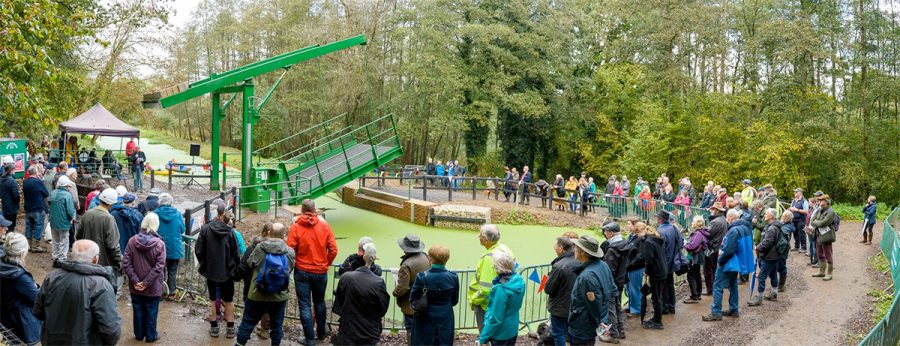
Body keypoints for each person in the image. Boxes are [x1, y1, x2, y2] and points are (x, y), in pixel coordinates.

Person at [34, 239, 121, 345]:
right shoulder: (101, 285)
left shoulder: (52, 277)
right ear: (95, 259)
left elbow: (38, 311)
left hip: (52, 341)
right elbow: (111, 330)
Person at [235, 221, 295, 346]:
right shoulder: (289, 252)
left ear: (270, 233)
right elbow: (289, 269)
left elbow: (250, 263)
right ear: (284, 235)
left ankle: (239, 344)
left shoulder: (260, 248)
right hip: (280, 295)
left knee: (247, 322)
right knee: (277, 326)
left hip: (257, 293)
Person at [286, 199, 338, 345]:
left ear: (302, 210)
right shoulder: (325, 226)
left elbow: (290, 251)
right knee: (320, 303)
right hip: (320, 272)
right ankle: (321, 333)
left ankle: (309, 339)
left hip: (302, 271)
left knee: (304, 305)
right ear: (315, 210)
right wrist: (326, 263)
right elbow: (333, 249)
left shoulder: (295, 227)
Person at [195, 204, 241, 338]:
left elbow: (199, 250)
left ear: (217, 212)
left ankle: (214, 327)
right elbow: (236, 253)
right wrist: (234, 268)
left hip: (211, 270)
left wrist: (205, 264)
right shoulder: (231, 232)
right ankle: (230, 328)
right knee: (229, 300)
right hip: (227, 271)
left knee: (213, 298)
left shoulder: (205, 229)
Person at [332, 243, 390, 345]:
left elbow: (338, 303)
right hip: (369, 332)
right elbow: (382, 309)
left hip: (347, 329)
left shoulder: (346, 277)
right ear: (375, 259)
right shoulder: (378, 282)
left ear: (363, 256)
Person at [702, 209, 754, 321]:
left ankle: (716, 312)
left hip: (729, 262)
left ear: (730, 218)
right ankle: (734, 309)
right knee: (733, 285)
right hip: (738, 262)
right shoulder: (746, 228)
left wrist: (720, 260)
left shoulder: (734, 230)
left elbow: (728, 249)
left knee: (717, 286)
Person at [123, 212, 166, 342]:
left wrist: (136, 281)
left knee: (138, 309)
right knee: (152, 310)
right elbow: (159, 266)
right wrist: (146, 282)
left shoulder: (132, 241)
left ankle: (139, 334)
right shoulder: (159, 244)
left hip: (135, 285)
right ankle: (151, 336)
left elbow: (126, 262)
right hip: (153, 286)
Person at [567, 236, 616, 344]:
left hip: (583, 324)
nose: (574, 249)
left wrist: (600, 321)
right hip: (591, 320)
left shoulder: (587, 276)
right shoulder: (602, 265)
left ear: (583, 252)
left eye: (576, 247)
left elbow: (593, 302)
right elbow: (612, 289)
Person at [468, 224, 515, 333]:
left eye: (480, 235)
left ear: (485, 239)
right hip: (502, 301)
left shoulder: (489, 258)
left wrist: (474, 300)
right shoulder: (505, 249)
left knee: (486, 335)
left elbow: (486, 288)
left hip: (486, 305)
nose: (478, 237)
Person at [410, 245, 459, 346]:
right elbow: (454, 300)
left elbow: (413, 299)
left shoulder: (422, 277)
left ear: (430, 258)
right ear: (447, 259)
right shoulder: (453, 277)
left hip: (424, 317)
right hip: (445, 317)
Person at [0, 232, 41, 345]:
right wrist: (36, 286)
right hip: (20, 319)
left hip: (4, 313)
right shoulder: (20, 277)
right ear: (23, 252)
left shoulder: (4, 264)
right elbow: (36, 299)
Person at [477, 253, 525, 346]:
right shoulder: (518, 280)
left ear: (498, 268)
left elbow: (495, 318)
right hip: (512, 328)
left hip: (501, 333)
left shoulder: (501, 290)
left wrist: (482, 338)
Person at [77, 187, 123, 281]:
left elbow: (78, 236)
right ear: (111, 204)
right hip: (103, 264)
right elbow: (113, 245)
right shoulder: (109, 219)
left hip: (86, 260)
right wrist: (119, 261)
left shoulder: (87, 214)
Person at [393, 234, 431, 342]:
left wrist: (395, 292)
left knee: (411, 331)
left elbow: (403, 287)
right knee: (423, 330)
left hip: (411, 305)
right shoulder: (426, 257)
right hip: (425, 301)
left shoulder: (407, 265)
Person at [544, 234, 580, 346]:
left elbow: (549, 289)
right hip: (575, 305)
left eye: (555, 245)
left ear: (561, 248)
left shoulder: (559, 266)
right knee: (572, 332)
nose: (554, 247)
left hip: (560, 306)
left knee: (558, 333)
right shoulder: (579, 260)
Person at [599, 222, 629, 342]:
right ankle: (620, 330)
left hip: (612, 283)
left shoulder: (612, 249)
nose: (605, 234)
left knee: (611, 308)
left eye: (606, 231)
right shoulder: (624, 243)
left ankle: (613, 334)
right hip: (620, 280)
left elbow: (608, 270)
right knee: (617, 307)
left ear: (611, 233)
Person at [154, 193, 184, 300]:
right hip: (174, 246)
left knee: (159, 270)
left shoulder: (155, 214)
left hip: (158, 247)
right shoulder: (178, 214)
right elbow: (182, 229)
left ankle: (160, 292)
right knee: (172, 270)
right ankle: (171, 292)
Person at [749, 208, 781, 306]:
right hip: (774, 255)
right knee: (773, 274)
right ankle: (774, 293)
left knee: (762, 277)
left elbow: (768, 242)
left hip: (769, 256)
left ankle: (759, 298)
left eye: (766, 213)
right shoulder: (774, 225)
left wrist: (758, 247)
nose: (764, 215)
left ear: (771, 216)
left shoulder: (772, 228)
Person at [655, 210, 682, 314]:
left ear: (661, 219)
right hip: (672, 261)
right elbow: (681, 242)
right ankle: (671, 306)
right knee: (670, 284)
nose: (657, 219)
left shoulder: (660, 231)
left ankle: (665, 308)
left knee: (664, 286)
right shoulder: (674, 228)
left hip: (663, 262)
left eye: (658, 217)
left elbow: (658, 249)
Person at [48, 176, 76, 261]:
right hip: (64, 221)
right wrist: (72, 218)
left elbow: (49, 204)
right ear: (66, 185)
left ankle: (55, 256)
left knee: (55, 240)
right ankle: (62, 258)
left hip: (53, 220)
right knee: (64, 240)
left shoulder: (52, 193)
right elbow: (70, 210)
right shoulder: (67, 195)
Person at [809, 195, 837, 281]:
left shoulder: (831, 212)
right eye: (819, 200)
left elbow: (823, 223)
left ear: (826, 201)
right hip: (818, 234)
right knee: (820, 254)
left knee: (828, 255)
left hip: (827, 235)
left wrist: (817, 222)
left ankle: (829, 274)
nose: (819, 202)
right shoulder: (819, 210)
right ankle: (821, 272)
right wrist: (817, 222)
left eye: (821, 200)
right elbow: (812, 220)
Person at [22, 165, 49, 253]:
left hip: (28, 207)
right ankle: (36, 245)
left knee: (29, 226)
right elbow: (46, 193)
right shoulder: (38, 182)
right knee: (38, 226)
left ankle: (28, 245)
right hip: (38, 207)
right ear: (35, 172)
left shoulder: (25, 182)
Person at [683, 216, 709, 303]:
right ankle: (698, 294)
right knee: (697, 274)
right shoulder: (701, 233)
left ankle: (694, 296)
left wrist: (685, 244)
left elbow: (692, 246)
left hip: (695, 257)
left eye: (693, 222)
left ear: (698, 224)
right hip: (698, 257)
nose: (692, 223)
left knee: (691, 275)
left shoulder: (698, 234)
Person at [623, 222, 647, 316]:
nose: (628, 226)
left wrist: (629, 264)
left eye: (630, 224)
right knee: (629, 289)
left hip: (636, 268)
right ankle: (631, 306)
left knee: (635, 289)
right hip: (631, 268)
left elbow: (640, 256)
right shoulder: (634, 238)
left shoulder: (642, 240)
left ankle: (637, 310)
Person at [704, 202, 727, 296]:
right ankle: (714, 287)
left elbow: (708, 234)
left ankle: (710, 289)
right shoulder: (722, 219)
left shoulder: (715, 222)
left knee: (709, 270)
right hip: (718, 247)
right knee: (714, 269)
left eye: (712, 209)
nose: (711, 211)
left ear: (717, 211)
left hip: (713, 249)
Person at [111, 193, 144, 257]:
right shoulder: (138, 216)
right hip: (133, 250)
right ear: (133, 203)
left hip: (117, 249)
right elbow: (141, 234)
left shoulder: (113, 213)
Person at [777, 210, 794, 292]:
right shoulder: (784, 224)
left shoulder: (788, 226)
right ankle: (779, 284)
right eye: (783, 216)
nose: (783, 217)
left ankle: (781, 285)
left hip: (783, 249)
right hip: (783, 248)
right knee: (779, 265)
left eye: (785, 216)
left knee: (782, 266)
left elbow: (783, 235)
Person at [0, 162, 20, 233]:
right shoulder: (12, 181)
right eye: (14, 169)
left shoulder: (1, 179)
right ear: (11, 170)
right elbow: (16, 196)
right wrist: (17, 204)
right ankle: (10, 241)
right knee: (11, 226)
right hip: (12, 207)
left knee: (5, 226)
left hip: (5, 206)